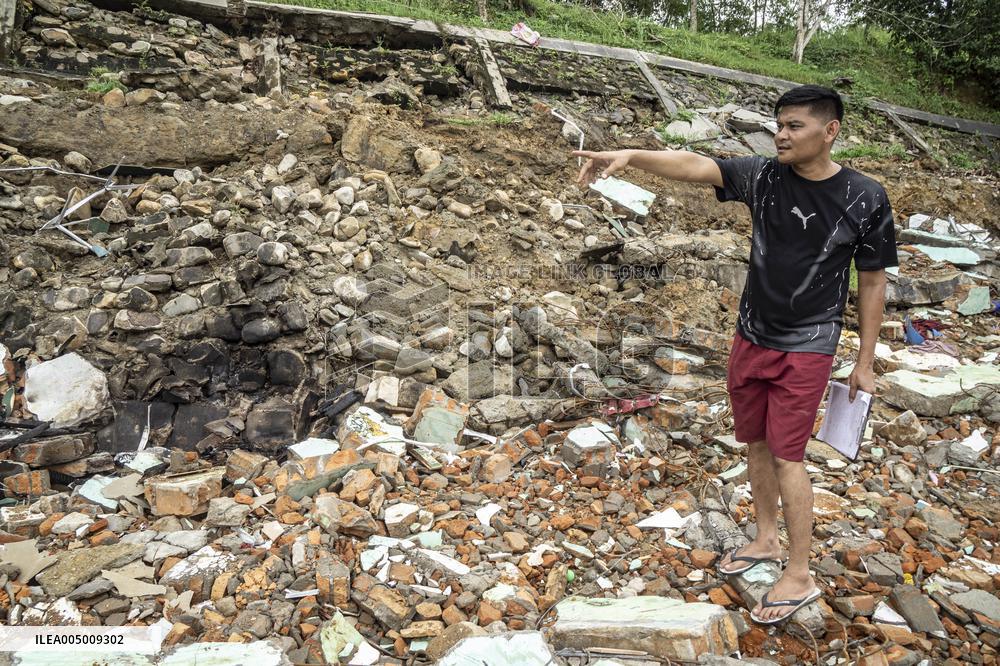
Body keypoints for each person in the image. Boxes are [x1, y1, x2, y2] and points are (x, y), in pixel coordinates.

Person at [573, 84, 897, 624]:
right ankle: (766, 539)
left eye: (794, 126)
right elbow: (695, 165)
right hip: (751, 336)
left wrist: (863, 363)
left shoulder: (864, 196)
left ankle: (800, 572)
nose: (781, 135)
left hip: (807, 345)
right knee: (756, 442)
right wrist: (631, 155)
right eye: (778, 125)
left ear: (830, 131)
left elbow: (872, 281)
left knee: (789, 456)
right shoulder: (765, 176)